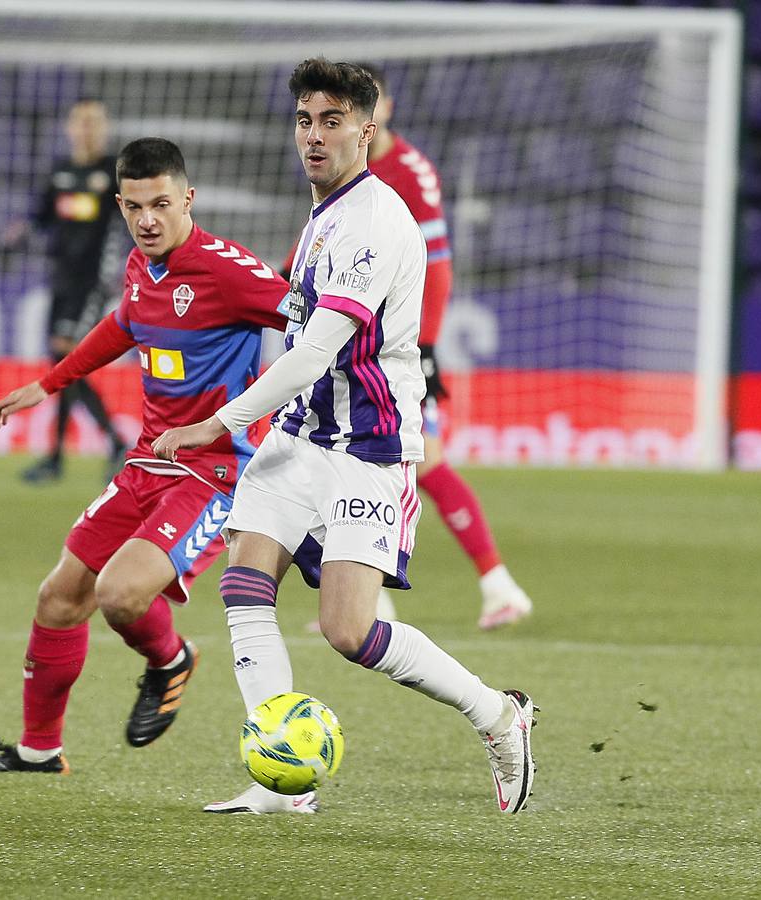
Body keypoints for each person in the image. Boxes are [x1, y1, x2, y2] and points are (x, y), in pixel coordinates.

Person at [152, 59, 536, 816]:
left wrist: (217, 423)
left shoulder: (374, 218)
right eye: (304, 119)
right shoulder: (325, 211)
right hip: (303, 435)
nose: (314, 135)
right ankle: (279, 782)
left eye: (332, 121)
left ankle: (497, 714)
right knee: (243, 582)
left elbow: (316, 349)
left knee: (349, 629)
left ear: (369, 126)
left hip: (369, 443)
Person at [0, 137, 292, 774]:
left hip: (216, 471)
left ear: (188, 199)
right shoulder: (142, 265)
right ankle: (39, 751)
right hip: (147, 461)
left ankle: (172, 660)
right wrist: (49, 382)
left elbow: (316, 326)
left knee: (121, 595)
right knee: (59, 597)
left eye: (161, 204)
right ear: (120, 204)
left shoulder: (229, 271)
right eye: (135, 207)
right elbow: (124, 324)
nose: (148, 220)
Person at [352, 62, 532, 630]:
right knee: (350, 459)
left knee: (424, 461)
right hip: (361, 340)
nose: (364, 114)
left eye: (372, 103)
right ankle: (367, 599)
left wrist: (426, 347)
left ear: (387, 108)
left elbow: (438, 262)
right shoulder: (347, 169)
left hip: (403, 345)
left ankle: (499, 584)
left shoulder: (409, 170)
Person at [4, 99, 130, 483]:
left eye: (95, 121)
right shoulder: (60, 172)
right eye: (81, 122)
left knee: (66, 360)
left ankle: (104, 444)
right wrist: (21, 230)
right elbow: (40, 216)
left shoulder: (112, 173)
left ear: (104, 127)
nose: (87, 128)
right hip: (61, 280)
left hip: (93, 283)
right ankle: (68, 454)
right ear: (70, 127)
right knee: (62, 366)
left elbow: (129, 219)